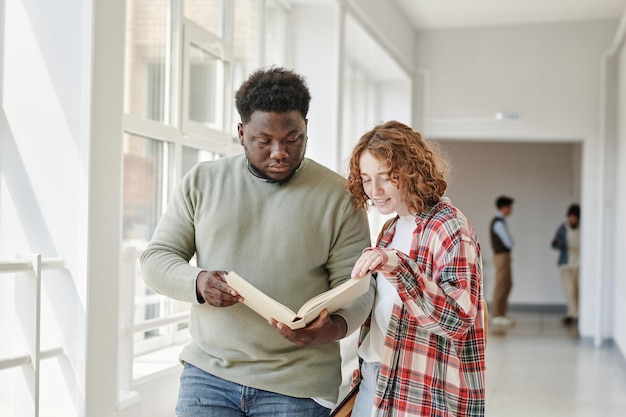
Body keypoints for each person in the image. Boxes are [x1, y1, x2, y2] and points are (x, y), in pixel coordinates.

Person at [140, 67, 375, 417]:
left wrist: (334, 328)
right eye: (264, 141)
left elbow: (359, 287)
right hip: (209, 375)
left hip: (298, 385)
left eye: (292, 138)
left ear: (306, 128)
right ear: (241, 133)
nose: (279, 151)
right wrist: (199, 282)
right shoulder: (203, 182)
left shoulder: (340, 197)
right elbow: (156, 259)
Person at [345, 121, 486, 416]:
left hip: (421, 391)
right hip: (376, 377)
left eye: (385, 177)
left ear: (411, 170)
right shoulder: (391, 228)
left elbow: (459, 318)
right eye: (367, 179)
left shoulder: (449, 227)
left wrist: (397, 265)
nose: (375, 190)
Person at [551, 204, 581, 326]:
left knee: (579, 290)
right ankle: (572, 314)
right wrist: (559, 243)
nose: (572, 219)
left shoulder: (584, 228)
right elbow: (554, 243)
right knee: (570, 290)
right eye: (571, 217)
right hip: (566, 263)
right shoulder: (563, 228)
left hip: (580, 264)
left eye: (575, 217)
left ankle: (578, 314)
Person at [489, 195, 515, 327]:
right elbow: (508, 242)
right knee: (501, 284)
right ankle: (497, 314)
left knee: (507, 284)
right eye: (509, 207)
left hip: (503, 255)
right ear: (504, 207)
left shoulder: (500, 221)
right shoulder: (498, 222)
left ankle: (502, 313)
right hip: (501, 256)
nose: (511, 209)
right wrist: (511, 244)